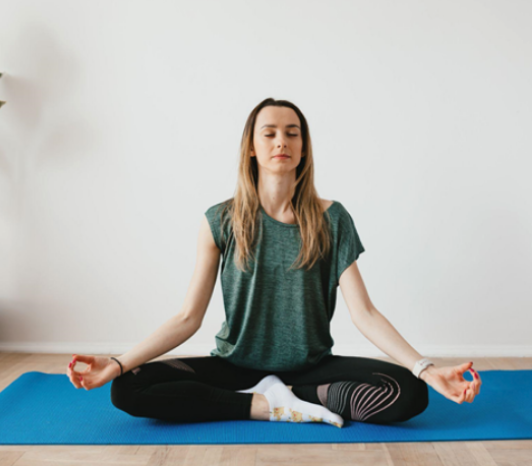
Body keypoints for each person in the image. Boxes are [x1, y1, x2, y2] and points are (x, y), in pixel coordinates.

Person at [66, 98, 482, 427]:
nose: (281, 141)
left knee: (410, 393)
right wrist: (119, 362)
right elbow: (187, 317)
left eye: (292, 133)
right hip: (235, 367)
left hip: (313, 369)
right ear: (252, 147)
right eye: (269, 133)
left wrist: (426, 369)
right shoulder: (220, 220)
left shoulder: (331, 219)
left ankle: (296, 398)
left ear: (303, 148)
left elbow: (365, 313)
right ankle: (267, 406)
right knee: (128, 388)